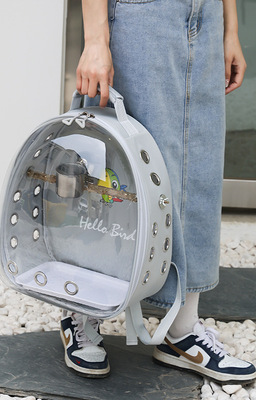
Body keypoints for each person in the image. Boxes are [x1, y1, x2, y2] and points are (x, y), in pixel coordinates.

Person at [60, 0, 256, 383]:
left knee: (198, 163)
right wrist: (96, 39)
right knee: (117, 166)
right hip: (142, 14)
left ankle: (182, 331)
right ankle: (81, 309)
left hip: (206, 14)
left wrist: (229, 28)